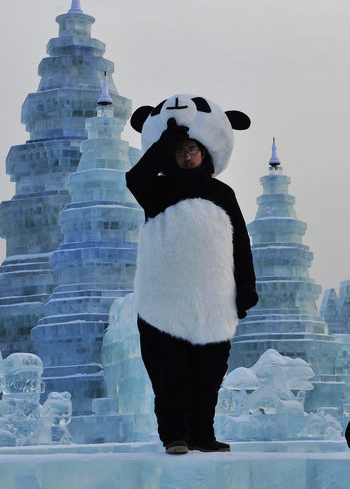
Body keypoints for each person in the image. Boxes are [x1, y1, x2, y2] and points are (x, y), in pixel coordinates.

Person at [126, 119, 257, 455]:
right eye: (181, 151)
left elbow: (240, 244)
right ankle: (175, 436)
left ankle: (203, 434)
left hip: (213, 302)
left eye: (192, 150)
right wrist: (163, 144)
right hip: (165, 303)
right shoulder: (158, 190)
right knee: (171, 373)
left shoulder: (222, 193)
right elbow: (135, 179)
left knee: (208, 374)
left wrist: (245, 289)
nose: (187, 157)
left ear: (204, 153)